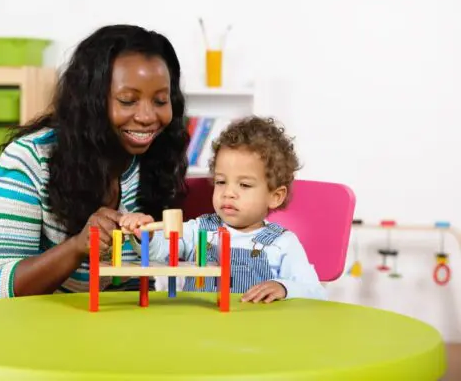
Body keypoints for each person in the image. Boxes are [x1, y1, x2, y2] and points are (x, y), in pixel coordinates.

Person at [0, 24, 190, 307]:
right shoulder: (30, 158)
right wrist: (77, 247)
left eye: (160, 100)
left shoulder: (152, 164)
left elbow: (129, 282)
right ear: (92, 101)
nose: (147, 116)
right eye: (127, 100)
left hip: (62, 328)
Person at [120, 116, 327, 303]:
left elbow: (314, 291)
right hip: (201, 328)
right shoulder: (200, 229)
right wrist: (143, 234)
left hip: (255, 333)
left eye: (244, 185)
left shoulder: (283, 243)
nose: (228, 193)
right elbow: (162, 250)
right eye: (221, 182)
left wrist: (283, 287)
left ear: (275, 196)